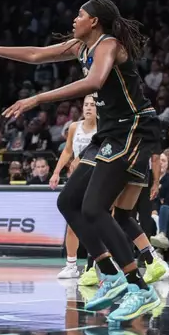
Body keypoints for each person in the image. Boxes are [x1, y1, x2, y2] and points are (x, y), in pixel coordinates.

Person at [0, 0, 163, 321]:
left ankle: (139, 287)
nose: (74, 18)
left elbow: (94, 82)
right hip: (108, 133)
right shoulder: (80, 46)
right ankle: (108, 274)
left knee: (95, 208)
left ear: (94, 21)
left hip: (133, 128)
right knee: (68, 201)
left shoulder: (108, 45)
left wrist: (37, 98)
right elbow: (36, 55)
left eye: (80, 14)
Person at [50, 95, 97, 279]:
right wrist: (56, 172)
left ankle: (94, 265)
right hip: (77, 179)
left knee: (95, 223)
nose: (88, 108)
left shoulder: (102, 128)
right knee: (72, 224)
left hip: (96, 178)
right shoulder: (74, 127)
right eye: (86, 105)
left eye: (92, 105)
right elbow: (68, 150)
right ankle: (71, 265)